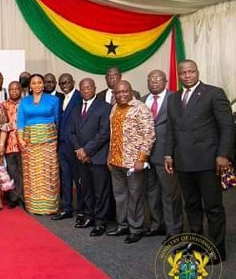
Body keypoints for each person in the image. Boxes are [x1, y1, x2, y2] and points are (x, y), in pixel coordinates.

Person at [165, 60, 234, 262]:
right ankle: (196, 244)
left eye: (191, 72)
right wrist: (168, 154)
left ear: (197, 72)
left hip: (208, 161)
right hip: (183, 162)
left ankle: (217, 250)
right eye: (183, 73)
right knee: (192, 206)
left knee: (213, 207)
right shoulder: (174, 99)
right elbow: (170, 129)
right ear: (179, 75)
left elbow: (227, 127)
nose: (187, 75)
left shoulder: (214, 93)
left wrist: (224, 155)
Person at [105, 80, 155, 244]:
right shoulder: (114, 108)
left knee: (135, 196)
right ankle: (123, 225)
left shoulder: (140, 109)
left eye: (124, 91)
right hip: (116, 160)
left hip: (134, 162)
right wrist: (109, 156)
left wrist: (141, 159)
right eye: (118, 92)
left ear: (131, 91)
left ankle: (135, 228)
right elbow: (113, 135)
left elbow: (149, 136)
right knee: (120, 196)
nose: (121, 95)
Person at [141, 70, 183, 241]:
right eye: (151, 79)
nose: (154, 82)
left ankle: (174, 230)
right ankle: (157, 224)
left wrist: (172, 153)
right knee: (151, 192)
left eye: (158, 79)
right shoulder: (142, 100)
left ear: (166, 81)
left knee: (169, 193)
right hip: (145, 155)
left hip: (166, 154)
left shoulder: (175, 98)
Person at [69, 78, 111, 237]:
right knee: (86, 189)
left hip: (97, 157)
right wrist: (79, 150)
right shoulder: (76, 108)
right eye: (83, 88)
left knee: (101, 191)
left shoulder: (104, 107)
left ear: (94, 88)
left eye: (88, 87)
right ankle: (89, 216)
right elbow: (71, 132)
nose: (86, 90)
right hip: (81, 157)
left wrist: (87, 150)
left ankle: (100, 222)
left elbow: (104, 133)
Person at [17, 74, 60, 215]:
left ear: (43, 85)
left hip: (49, 142)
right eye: (33, 83)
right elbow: (21, 122)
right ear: (30, 85)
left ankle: (49, 207)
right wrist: (21, 140)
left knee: (48, 173)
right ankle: (33, 206)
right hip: (29, 143)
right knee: (32, 173)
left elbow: (58, 121)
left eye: (39, 82)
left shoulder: (54, 100)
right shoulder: (24, 101)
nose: (36, 85)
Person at [52, 73, 83, 222]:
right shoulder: (60, 99)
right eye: (61, 83)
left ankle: (82, 209)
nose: (64, 85)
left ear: (73, 82)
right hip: (62, 145)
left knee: (79, 179)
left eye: (67, 82)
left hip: (76, 145)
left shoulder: (80, 97)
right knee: (65, 177)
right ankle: (67, 208)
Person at [2, 81, 23, 208]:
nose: (14, 91)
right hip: (9, 143)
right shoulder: (3, 105)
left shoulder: (26, 103)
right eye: (11, 89)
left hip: (23, 143)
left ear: (20, 90)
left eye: (16, 89)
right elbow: (3, 124)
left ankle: (23, 197)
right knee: (12, 171)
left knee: (23, 172)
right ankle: (13, 197)